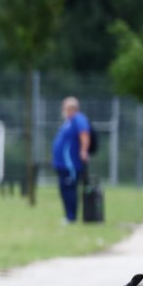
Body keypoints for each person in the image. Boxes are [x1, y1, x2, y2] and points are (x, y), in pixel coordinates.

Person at [51, 96, 90, 224]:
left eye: (65, 107)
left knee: (70, 189)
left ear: (70, 108)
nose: (63, 110)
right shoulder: (69, 121)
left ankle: (71, 217)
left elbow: (84, 135)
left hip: (70, 164)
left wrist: (84, 151)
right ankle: (68, 215)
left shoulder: (78, 119)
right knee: (64, 189)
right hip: (62, 164)